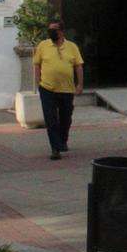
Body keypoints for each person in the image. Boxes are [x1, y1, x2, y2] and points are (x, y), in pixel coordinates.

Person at [33, 20, 83, 160]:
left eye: (54, 30)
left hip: (66, 89)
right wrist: (38, 82)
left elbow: (78, 66)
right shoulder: (43, 45)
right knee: (51, 119)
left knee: (65, 117)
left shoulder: (72, 47)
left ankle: (63, 140)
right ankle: (55, 148)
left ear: (61, 31)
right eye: (50, 30)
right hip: (47, 88)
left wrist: (79, 84)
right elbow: (37, 64)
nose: (52, 32)